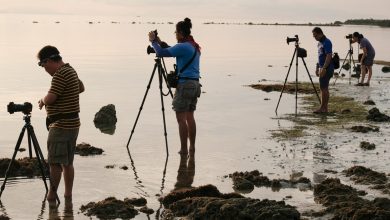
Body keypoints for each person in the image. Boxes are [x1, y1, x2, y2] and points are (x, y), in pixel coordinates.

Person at [37, 45, 84, 203]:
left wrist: (42, 101)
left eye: (43, 66)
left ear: (49, 61)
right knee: (67, 163)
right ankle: (67, 195)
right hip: (73, 124)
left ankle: (51, 196)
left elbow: (51, 97)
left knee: (55, 163)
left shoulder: (60, 74)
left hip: (61, 125)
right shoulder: (71, 70)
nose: (45, 70)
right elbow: (81, 87)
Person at [148, 18, 201, 156]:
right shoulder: (193, 46)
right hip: (195, 85)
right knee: (190, 117)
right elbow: (171, 49)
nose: (175, 35)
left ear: (181, 32)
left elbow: (160, 53)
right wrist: (160, 42)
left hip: (185, 85)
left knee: (181, 119)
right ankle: (192, 148)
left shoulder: (183, 46)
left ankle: (183, 150)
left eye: (176, 32)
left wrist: (153, 41)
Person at [312, 27, 334, 114]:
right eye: (314, 36)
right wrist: (317, 67)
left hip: (327, 68)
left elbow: (329, 56)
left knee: (324, 88)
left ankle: (323, 108)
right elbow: (320, 56)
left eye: (315, 35)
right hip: (322, 67)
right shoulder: (319, 43)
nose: (315, 37)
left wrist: (324, 68)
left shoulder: (327, 42)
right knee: (322, 88)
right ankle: (324, 107)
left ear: (320, 33)